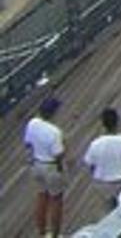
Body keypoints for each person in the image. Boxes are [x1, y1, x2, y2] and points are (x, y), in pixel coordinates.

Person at [81, 107, 121, 218]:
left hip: (103, 183)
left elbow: (91, 165)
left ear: (103, 124)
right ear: (117, 121)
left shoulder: (95, 144)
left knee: (109, 211)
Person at [23, 95, 64, 238]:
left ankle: (41, 232)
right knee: (56, 200)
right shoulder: (55, 132)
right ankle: (55, 235)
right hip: (50, 166)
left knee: (41, 196)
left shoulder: (32, 123)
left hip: (36, 164)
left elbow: (28, 144)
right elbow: (58, 154)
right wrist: (60, 169)